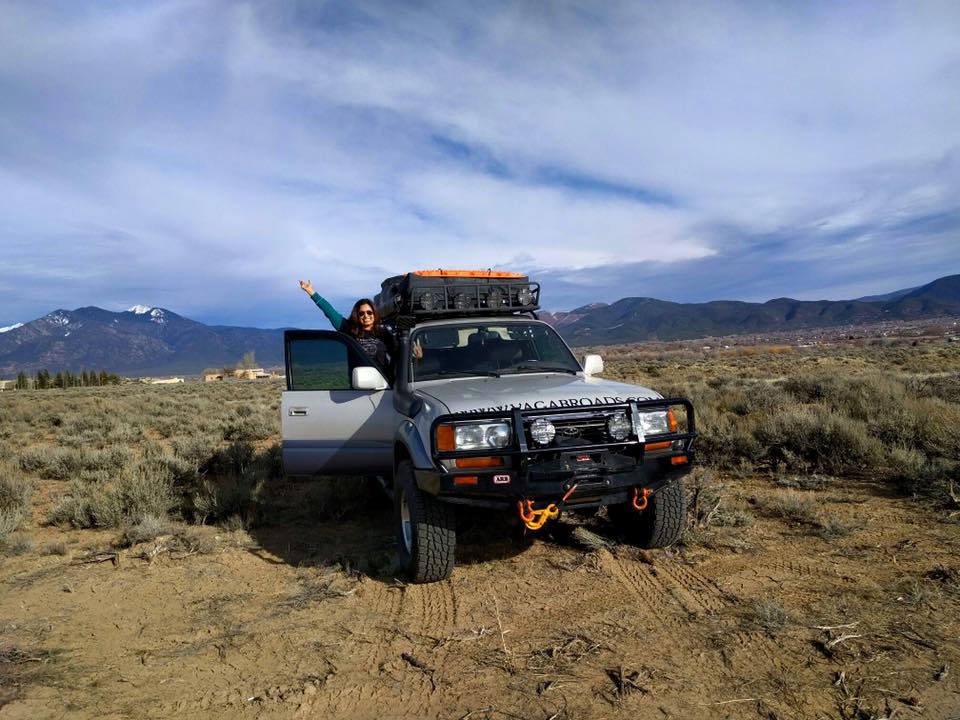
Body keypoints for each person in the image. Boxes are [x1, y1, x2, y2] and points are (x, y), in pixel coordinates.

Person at [299, 280, 394, 367]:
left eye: (369, 312)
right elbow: (330, 312)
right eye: (361, 313)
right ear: (357, 315)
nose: (366, 316)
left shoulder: (384, 332)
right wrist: (311, 291)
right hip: (360, 383)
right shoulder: (349, 330)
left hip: (384, 382)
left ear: (374, 313)